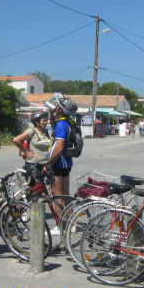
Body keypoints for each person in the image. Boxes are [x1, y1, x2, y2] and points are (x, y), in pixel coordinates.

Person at [44, 94, 78, 234]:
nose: (56, 107)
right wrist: (51, 113)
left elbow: (58, 147)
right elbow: (54, 126)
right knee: (65, 193)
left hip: (59, 162)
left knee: (57, 194)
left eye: (57, 106)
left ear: (61, 109)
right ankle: (72, 223)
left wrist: (49, 164)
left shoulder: (61, 124)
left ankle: (60, 226)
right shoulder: (68, 122)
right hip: (67, 162)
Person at [13, 110, 50, 179]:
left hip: (45, 164)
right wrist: (26, 152)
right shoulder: (32, 131)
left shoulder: (47, 132)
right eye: (44, 120)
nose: (46, 122)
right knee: (33, 187)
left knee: (43, 187)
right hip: (33, 164)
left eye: (47, 120)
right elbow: (16, 140)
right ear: (37, 122)